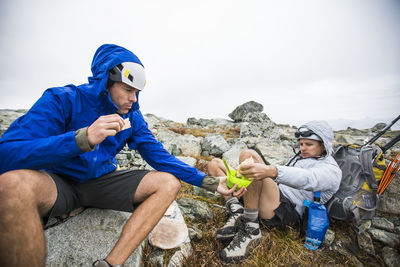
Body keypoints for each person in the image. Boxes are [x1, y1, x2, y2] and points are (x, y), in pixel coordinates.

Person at [0, 44, 245, 267]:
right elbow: (7, 153)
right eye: (128, 89)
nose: (133, 98)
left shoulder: (132, 115)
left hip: (101, 184)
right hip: (58, 183)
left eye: (137, 91)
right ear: (105, 81)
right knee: (11, 185)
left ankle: (110, 264)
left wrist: (208, 182)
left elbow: (158, 156)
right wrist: (80, 139)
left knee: (168, 183)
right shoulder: (62, 100)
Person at [208, 120, 342, 263]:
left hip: (285, 209)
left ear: (323, 145)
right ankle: (236, 209)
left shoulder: (331, 170)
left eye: (309, 144)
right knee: (215, 164)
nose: (303, 148)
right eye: (301, 144)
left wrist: (271, 170)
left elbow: (309, 179)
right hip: (271, 195)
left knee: (248, 156)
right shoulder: (302, 157)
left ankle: (251, 229)